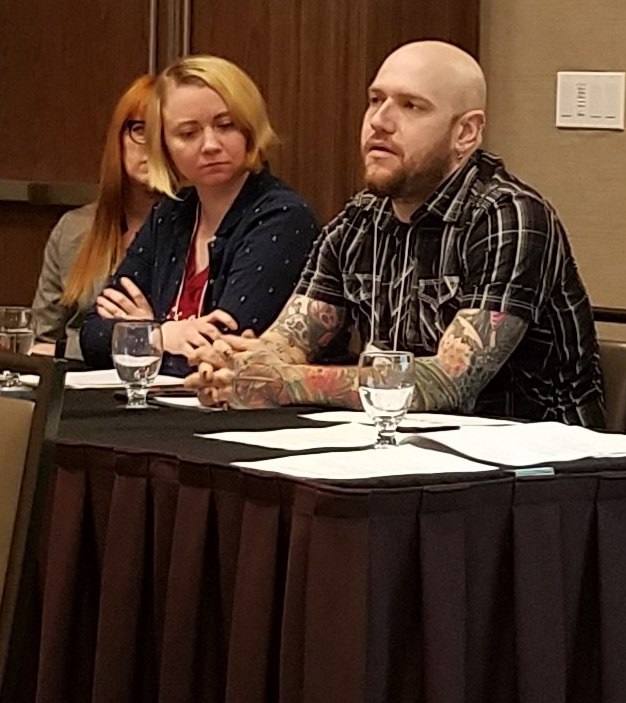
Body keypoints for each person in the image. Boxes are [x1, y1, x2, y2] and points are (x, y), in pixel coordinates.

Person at [186, 40, 604, 426]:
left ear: (466, 133)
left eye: (411, 106)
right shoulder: (359, 220)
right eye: (375, 100)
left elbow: (450, 383)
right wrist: (234, 365)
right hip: (401, 447)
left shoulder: (508, 216)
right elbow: (287, 343)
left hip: (534, 461)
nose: (380, 121)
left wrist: (282, 382)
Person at [80, 55, 319, 375]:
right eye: (188, 133)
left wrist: (144, 333)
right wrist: (163, 335)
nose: (210, 145)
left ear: (250, 128)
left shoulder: (283, 218)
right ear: (164, 146)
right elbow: (92, 336)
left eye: (226, 125)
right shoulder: (169, 213)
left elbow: (223, 355)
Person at [31, 75, 158, 360]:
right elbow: (40, 341)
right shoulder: (74, 228)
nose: (153, 145)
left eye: (165, 133)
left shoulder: (200, 231)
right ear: (119, 139)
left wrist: (67, 349)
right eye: (140, 130)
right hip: (73, 379)